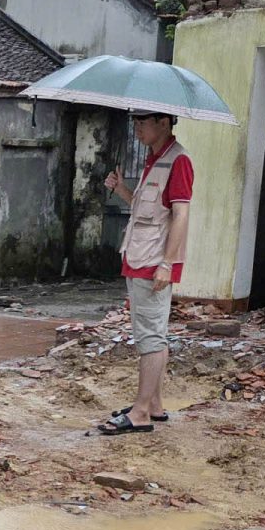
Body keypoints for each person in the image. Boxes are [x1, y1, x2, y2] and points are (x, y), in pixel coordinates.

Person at [100, 112, 192, 435]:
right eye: (135, 122)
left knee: (150, 337)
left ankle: (140, 412)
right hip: (141, 256)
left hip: (153, 262)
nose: (137, 128)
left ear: (164, 123)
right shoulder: (155, 160)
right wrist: (122, 189)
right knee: (155, 333)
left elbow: (181, 215)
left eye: (143, 122)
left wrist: (167, 264)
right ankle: (153, 405)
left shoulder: (178, 161)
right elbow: (148, 210)